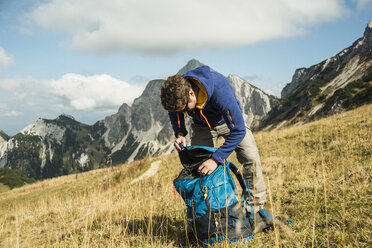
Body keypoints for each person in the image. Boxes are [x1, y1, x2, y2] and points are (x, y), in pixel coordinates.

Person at [160, 65, 266, 211]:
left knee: (251, 158)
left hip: (228, 123)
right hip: (201, 126)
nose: (184, 112)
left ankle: (255, 209)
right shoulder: (179, 92)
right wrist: (180, 134)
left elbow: (239, 130)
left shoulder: (220, 89)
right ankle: (210, 210)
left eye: (185, 108)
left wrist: (216, 159)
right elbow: (175, 112)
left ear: (191, 93)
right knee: (199, 167)